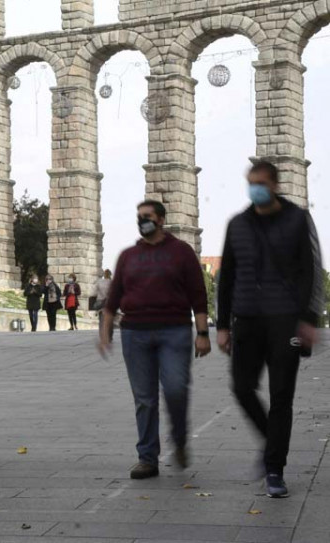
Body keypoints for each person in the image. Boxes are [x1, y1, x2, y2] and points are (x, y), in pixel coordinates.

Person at [216, 161, 325, 498]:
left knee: (281, 396)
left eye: (261, 183)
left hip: (285, 321)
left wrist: (309, 318)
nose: (255, 189)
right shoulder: (237, 224)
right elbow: (226, 277)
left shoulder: (298, 219)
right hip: (246, 319)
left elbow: (312, 270)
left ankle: (275, 469)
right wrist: (221, 325)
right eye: (251, 183)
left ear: (276, 185)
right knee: (242, 388)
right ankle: (271, 444)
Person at [98, 200, 211, 480]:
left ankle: (180, 438)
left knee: (174, 388)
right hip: (135, 333)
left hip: (174, 331)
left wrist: (203, 334)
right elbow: (113, 300)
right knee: (144, 399)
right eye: (139, 217)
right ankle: (147, 458)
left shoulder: (181, 252)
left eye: (147, 216)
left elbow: (198, 296)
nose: (142, 221)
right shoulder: (127, 256)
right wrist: (105, 332)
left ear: (161, 219)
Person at [93, 269, 113, 340]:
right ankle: (109, 336)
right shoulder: (112, 282)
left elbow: (94, 292)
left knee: (101, 320)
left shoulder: (99, 282)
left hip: (100, 302)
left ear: (104, 275)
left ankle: (102, 335)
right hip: (109, 302)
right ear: (110, 275)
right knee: (110, 319)